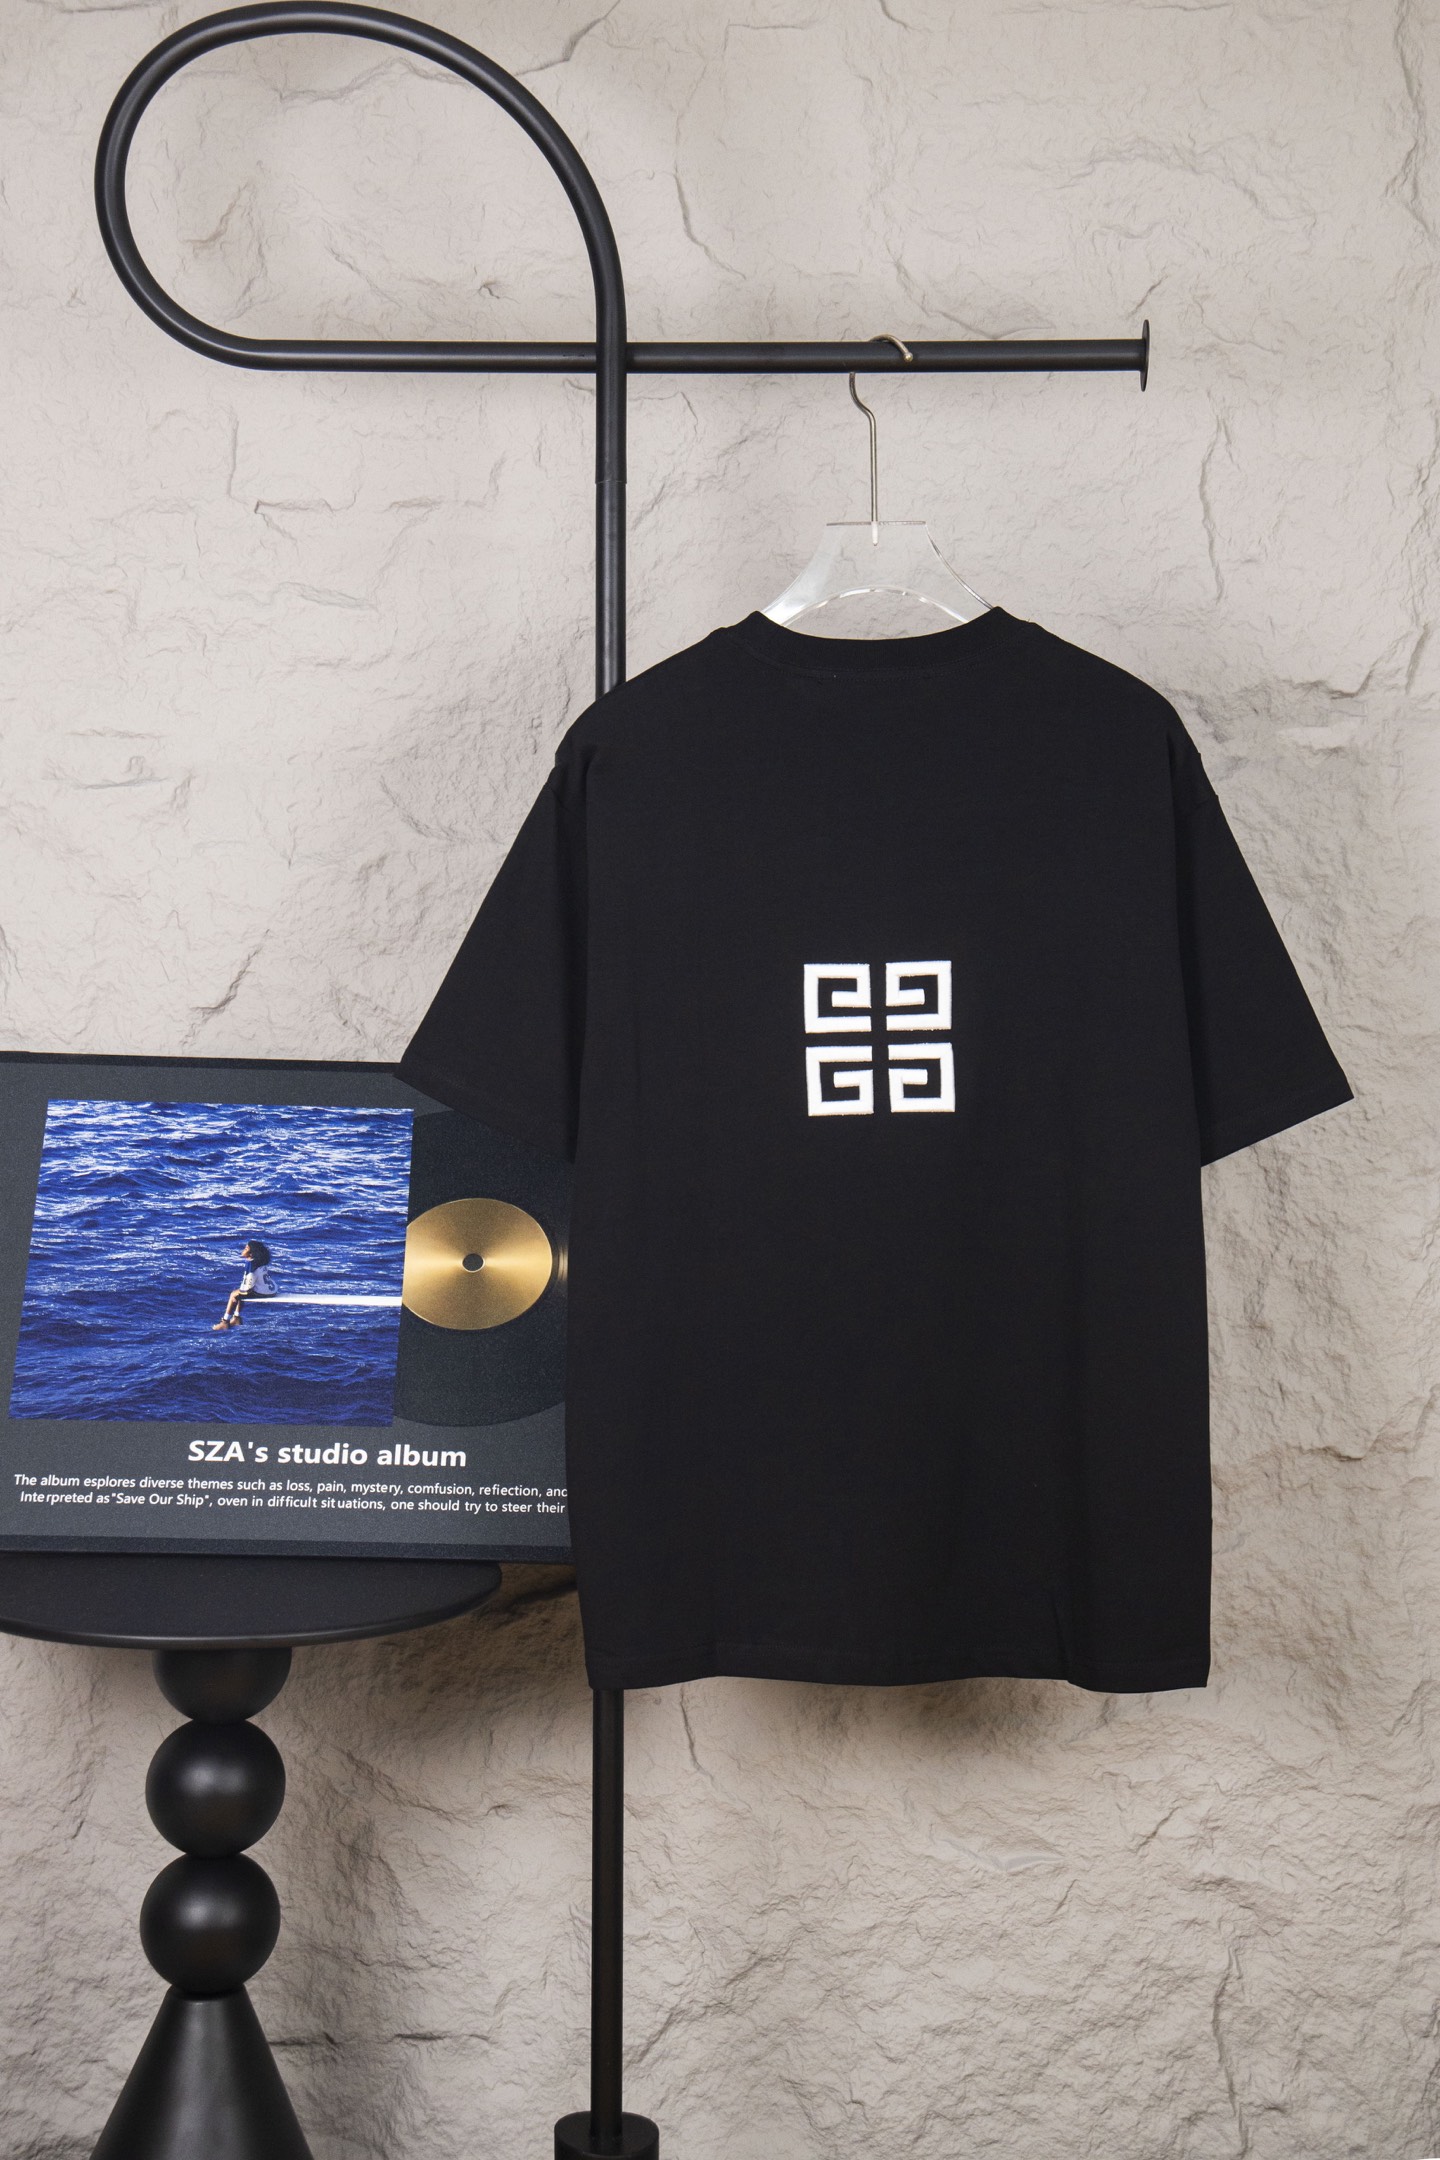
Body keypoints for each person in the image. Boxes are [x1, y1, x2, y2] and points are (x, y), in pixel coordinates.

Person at [213, 1239, 278, 1330]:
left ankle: (225, 1322)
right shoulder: (259, 1262)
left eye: (246, 1248)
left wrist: (238, 1295)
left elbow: (248, 1284)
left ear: (251, 1254)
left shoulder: (251, 1265)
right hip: (272, 1290)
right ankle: (236, 1317)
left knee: (234, 1294)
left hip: (264, 1292)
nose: (243, 1250)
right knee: (239, 1292)